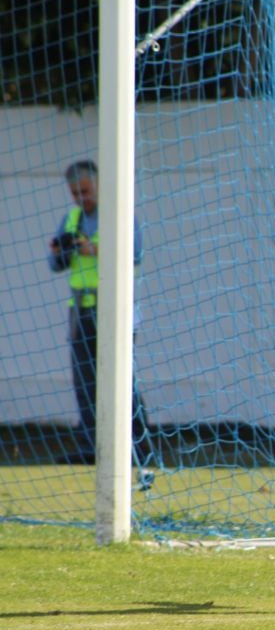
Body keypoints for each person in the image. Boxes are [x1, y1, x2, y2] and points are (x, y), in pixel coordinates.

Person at [47, 160, 155, 485]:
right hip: (80, 311)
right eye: (75, 193)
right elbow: (55, 263)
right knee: (85, 384)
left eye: (86, 191)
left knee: (122, 383)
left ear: (99, 186)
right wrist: (61, 250)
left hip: (115, 310)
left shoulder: (119, 212)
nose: (81, 198)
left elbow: (134, 253)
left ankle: (142, 451)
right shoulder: (72, 218)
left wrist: (92, 248)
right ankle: (91, 448)